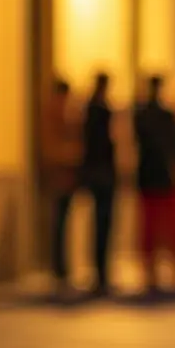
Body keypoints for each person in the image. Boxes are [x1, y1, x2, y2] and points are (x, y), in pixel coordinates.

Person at [134, 75, 175, 293]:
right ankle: (166, 269)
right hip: (161, 177)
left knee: (152, 225)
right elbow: (174, 146)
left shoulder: (142, 115)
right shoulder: (164, 116)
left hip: (151, 176)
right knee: (166, 225)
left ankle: (153, 271)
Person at [41, 79, 82, 296]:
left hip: (63, 175)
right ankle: (59, 269)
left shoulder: (61, 113)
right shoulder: (56, 114)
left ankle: (61, 269)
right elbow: (57, 148)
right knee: (59, 222)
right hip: (61, 175)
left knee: (61, 222)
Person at [80, 72, 117, 296]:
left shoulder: (90, 109)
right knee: (102, 223)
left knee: (100, 223)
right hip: (101, 173)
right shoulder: (100, 111)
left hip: (97, 172)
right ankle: (100, 272)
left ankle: (100, 272)